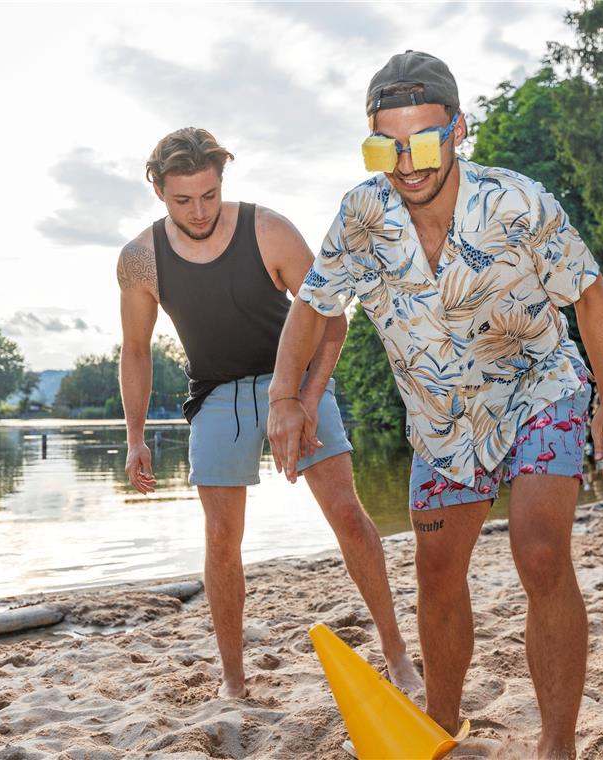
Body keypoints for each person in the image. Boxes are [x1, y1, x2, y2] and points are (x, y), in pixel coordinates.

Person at [267, 51, 603, 758]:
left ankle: (558, 746)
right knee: (436, 573)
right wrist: (287, 397)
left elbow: (590, 293)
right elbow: (312, 308)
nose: (406, 163)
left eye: (425, 141)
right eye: (386, 146)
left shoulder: (517, 202)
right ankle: (439, 726)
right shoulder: (361, 216)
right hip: (440, 422)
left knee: (542, 552)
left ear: (458, 129)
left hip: (540, 390)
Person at [116, 127, 422, 699]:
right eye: (183, 200)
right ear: (158, 190)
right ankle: (234, 681)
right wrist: (135, 436)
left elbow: (332, 322)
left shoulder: (268, 231)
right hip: (217, 396)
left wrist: (303, 402)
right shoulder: (139, 261)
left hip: (296, 377)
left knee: (348, 516)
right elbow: (135, 350)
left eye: (209, 195)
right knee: (221, 538)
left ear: (221, 181)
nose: (200, 210)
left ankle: (397, 652)